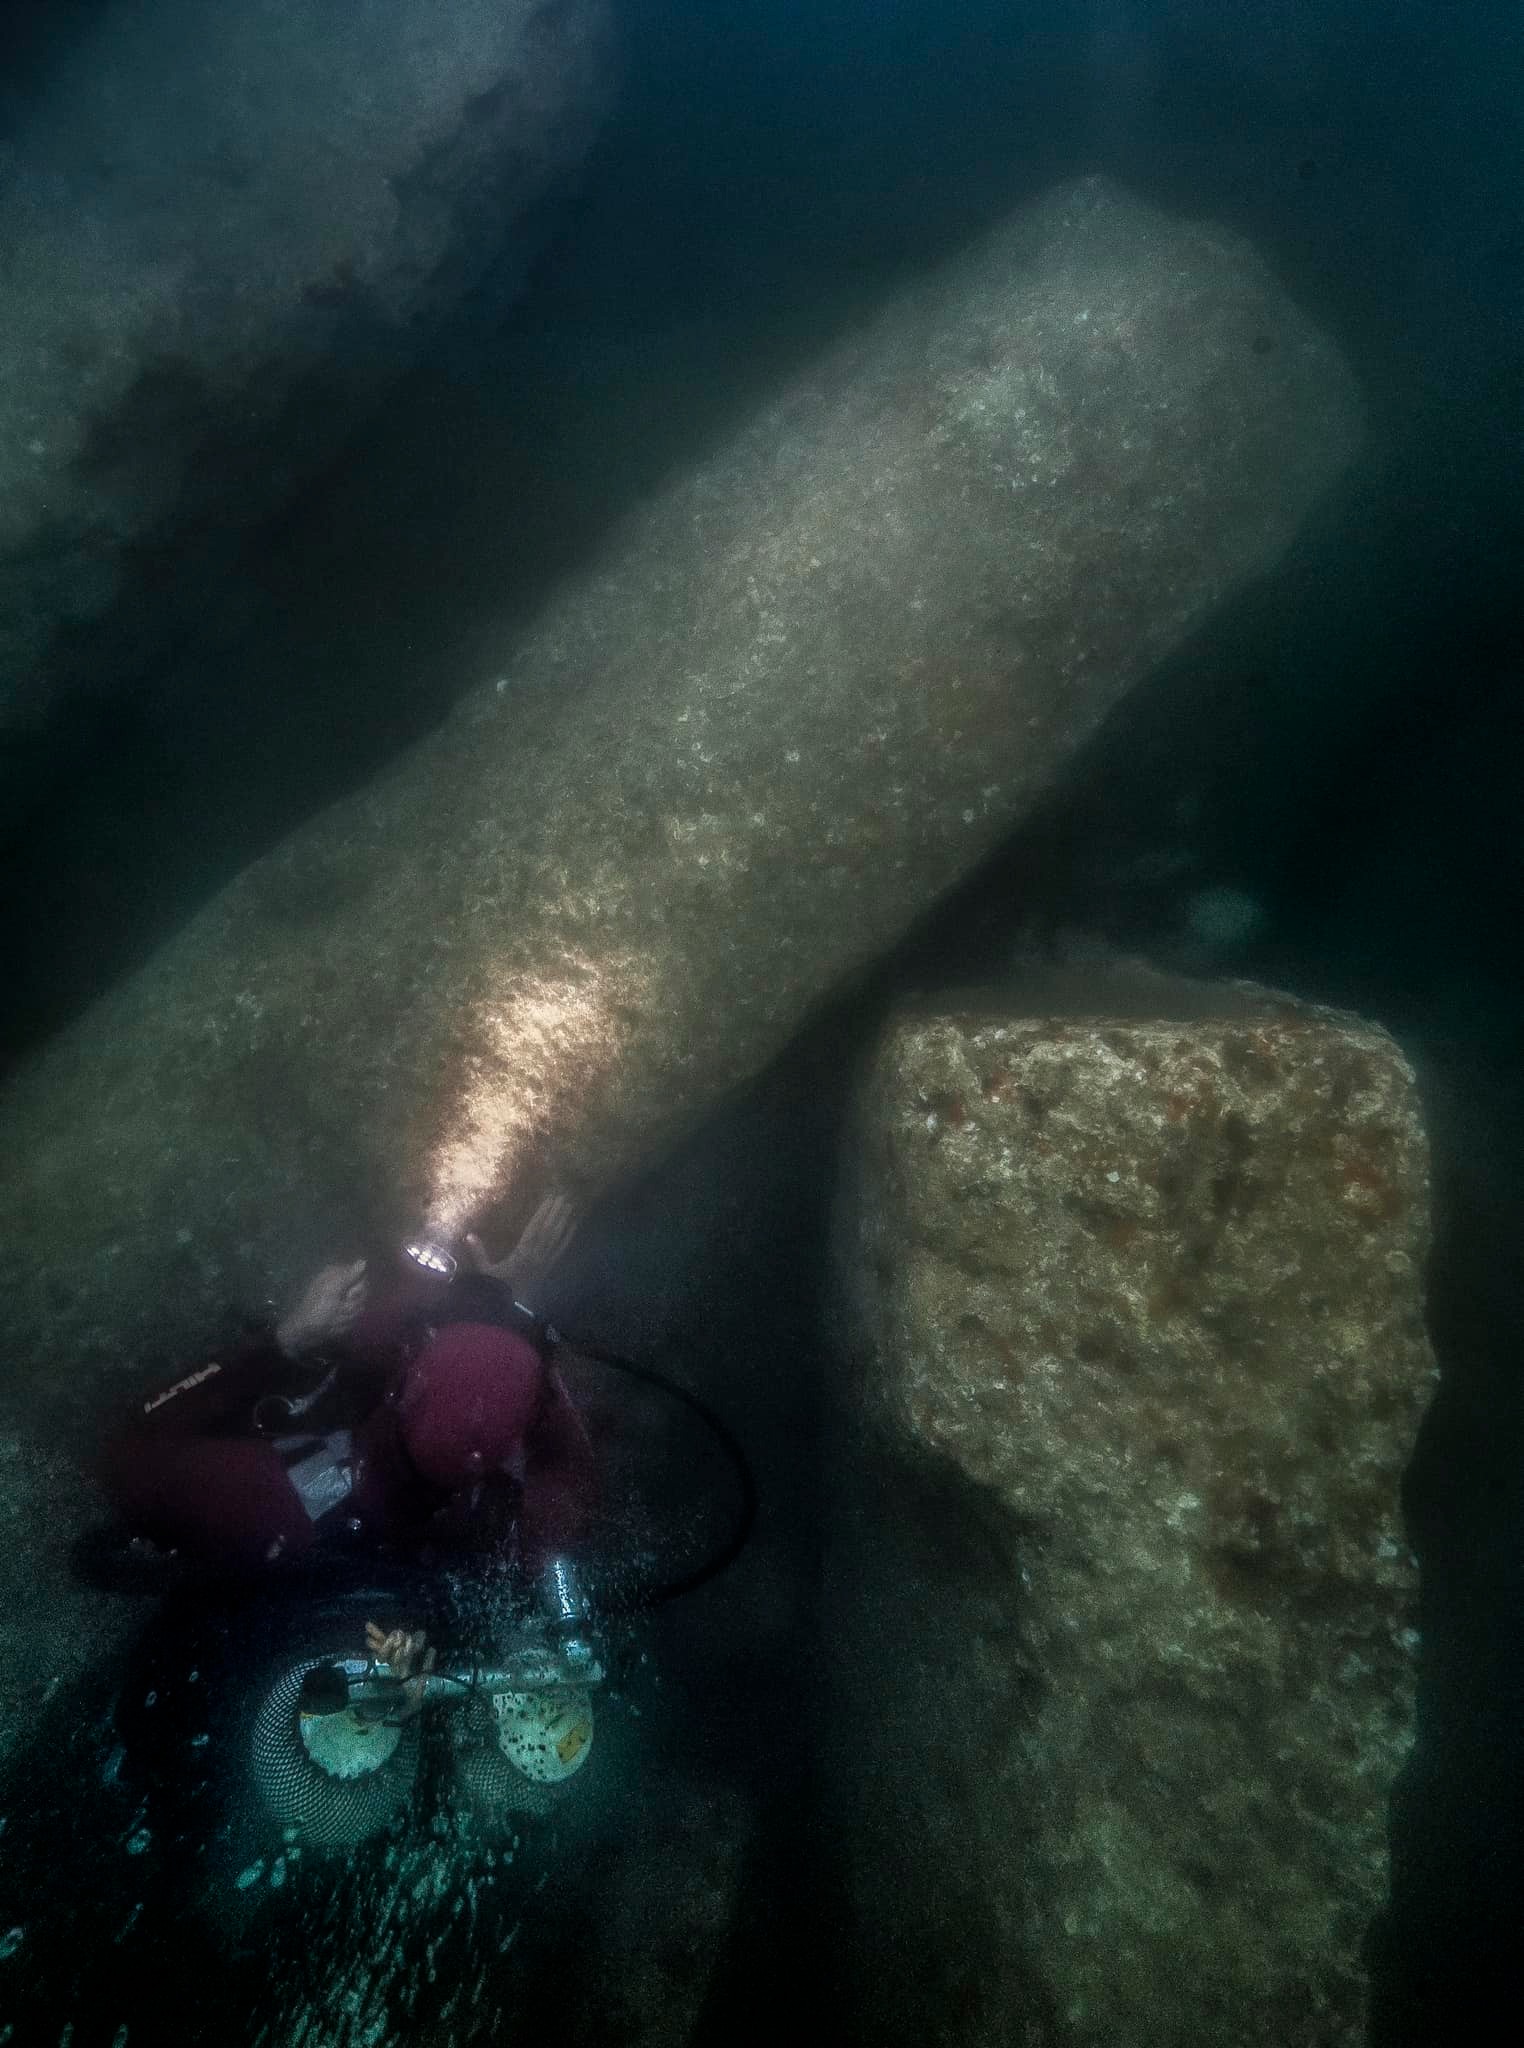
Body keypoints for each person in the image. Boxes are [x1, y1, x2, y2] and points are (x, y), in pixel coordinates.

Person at [97, 1198, 597, 1630]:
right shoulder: (523, 1525)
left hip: (288, 1525)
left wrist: (282, 1344)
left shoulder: (263, 1498)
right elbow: (565, 1458)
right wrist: (506, 1312)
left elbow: (130, 1454)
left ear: (404, 1383)